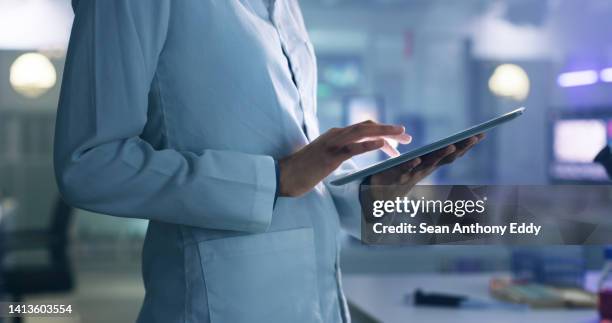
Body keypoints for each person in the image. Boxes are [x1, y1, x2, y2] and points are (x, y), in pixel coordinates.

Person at [53, 1, 482, 322]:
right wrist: (273, 179)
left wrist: (371, 188)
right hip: (219, 301)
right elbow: (89, 164)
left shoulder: (283, 5)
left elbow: (294, 161)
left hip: (315, 299)